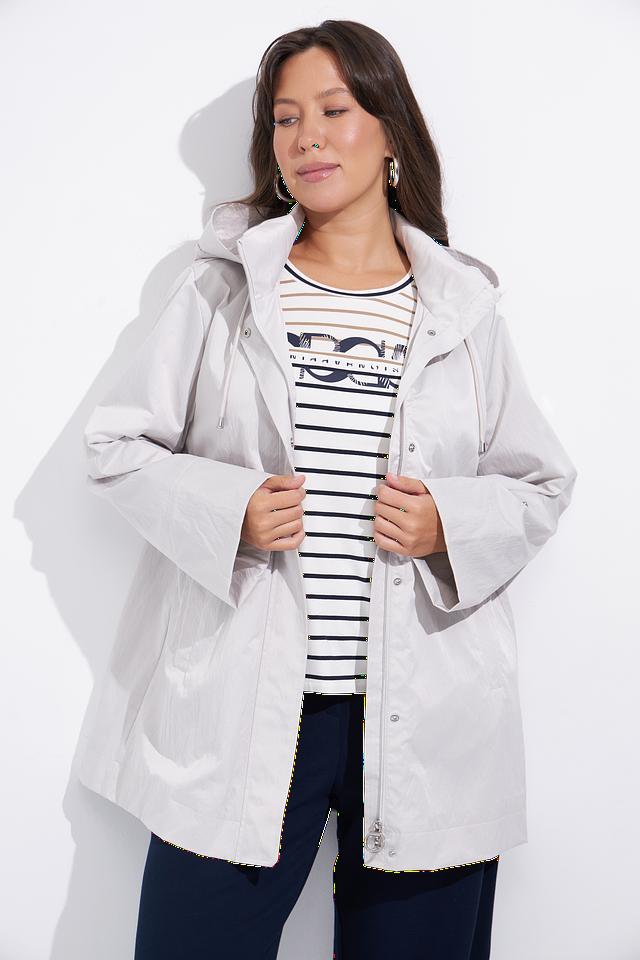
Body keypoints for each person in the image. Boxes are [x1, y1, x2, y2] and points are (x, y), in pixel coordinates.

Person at [73, 19, 578, 960]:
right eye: (285, 118)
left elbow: (541, 482)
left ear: (390, 132)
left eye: (335, 111)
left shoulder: (462, 305)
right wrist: (228, 509)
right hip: (245, 704)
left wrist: (447, 523)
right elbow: (116, 446)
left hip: (424, 709)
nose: (306, 137)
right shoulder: (223, 289)